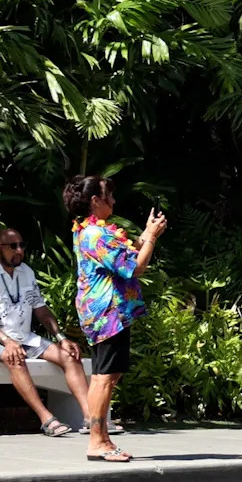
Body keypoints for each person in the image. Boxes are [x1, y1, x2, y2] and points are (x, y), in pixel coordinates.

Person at [66, 174, 165, 463]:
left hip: (106, 312)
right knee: (104, 378)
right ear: (95, 201)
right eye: (109, 195)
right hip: (107, 313)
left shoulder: (88, 231)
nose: (113, 200)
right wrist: (154, 238)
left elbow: (125, 254)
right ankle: (97, 441)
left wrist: (146, 233)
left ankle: (102, 439)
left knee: (108, 376)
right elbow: (136, 266)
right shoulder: (96, 234)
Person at [0, 228, 92, 437]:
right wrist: (7, 342)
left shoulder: (27, 272)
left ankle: (91, 418)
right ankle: (47, 420)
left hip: (23, 337)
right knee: (15, 357)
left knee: (69, 355)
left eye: (22, 245)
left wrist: (61, 338)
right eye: (13, 246)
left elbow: (40, 309)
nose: (19, 250)